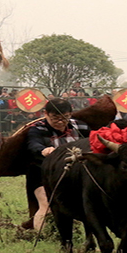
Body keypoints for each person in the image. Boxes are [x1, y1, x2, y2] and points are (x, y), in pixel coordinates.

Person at [24, 98, 89, 230]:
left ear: (70, 114)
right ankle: (42, 236)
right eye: (55, 118)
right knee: (46, 203)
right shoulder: (37, 129)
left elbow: (92, 142)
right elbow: (33, 144)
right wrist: (44, 150)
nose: (60, 122)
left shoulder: (81, 127)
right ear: (46, 114)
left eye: (65, 118)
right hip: (42, 172)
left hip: (72, 173)